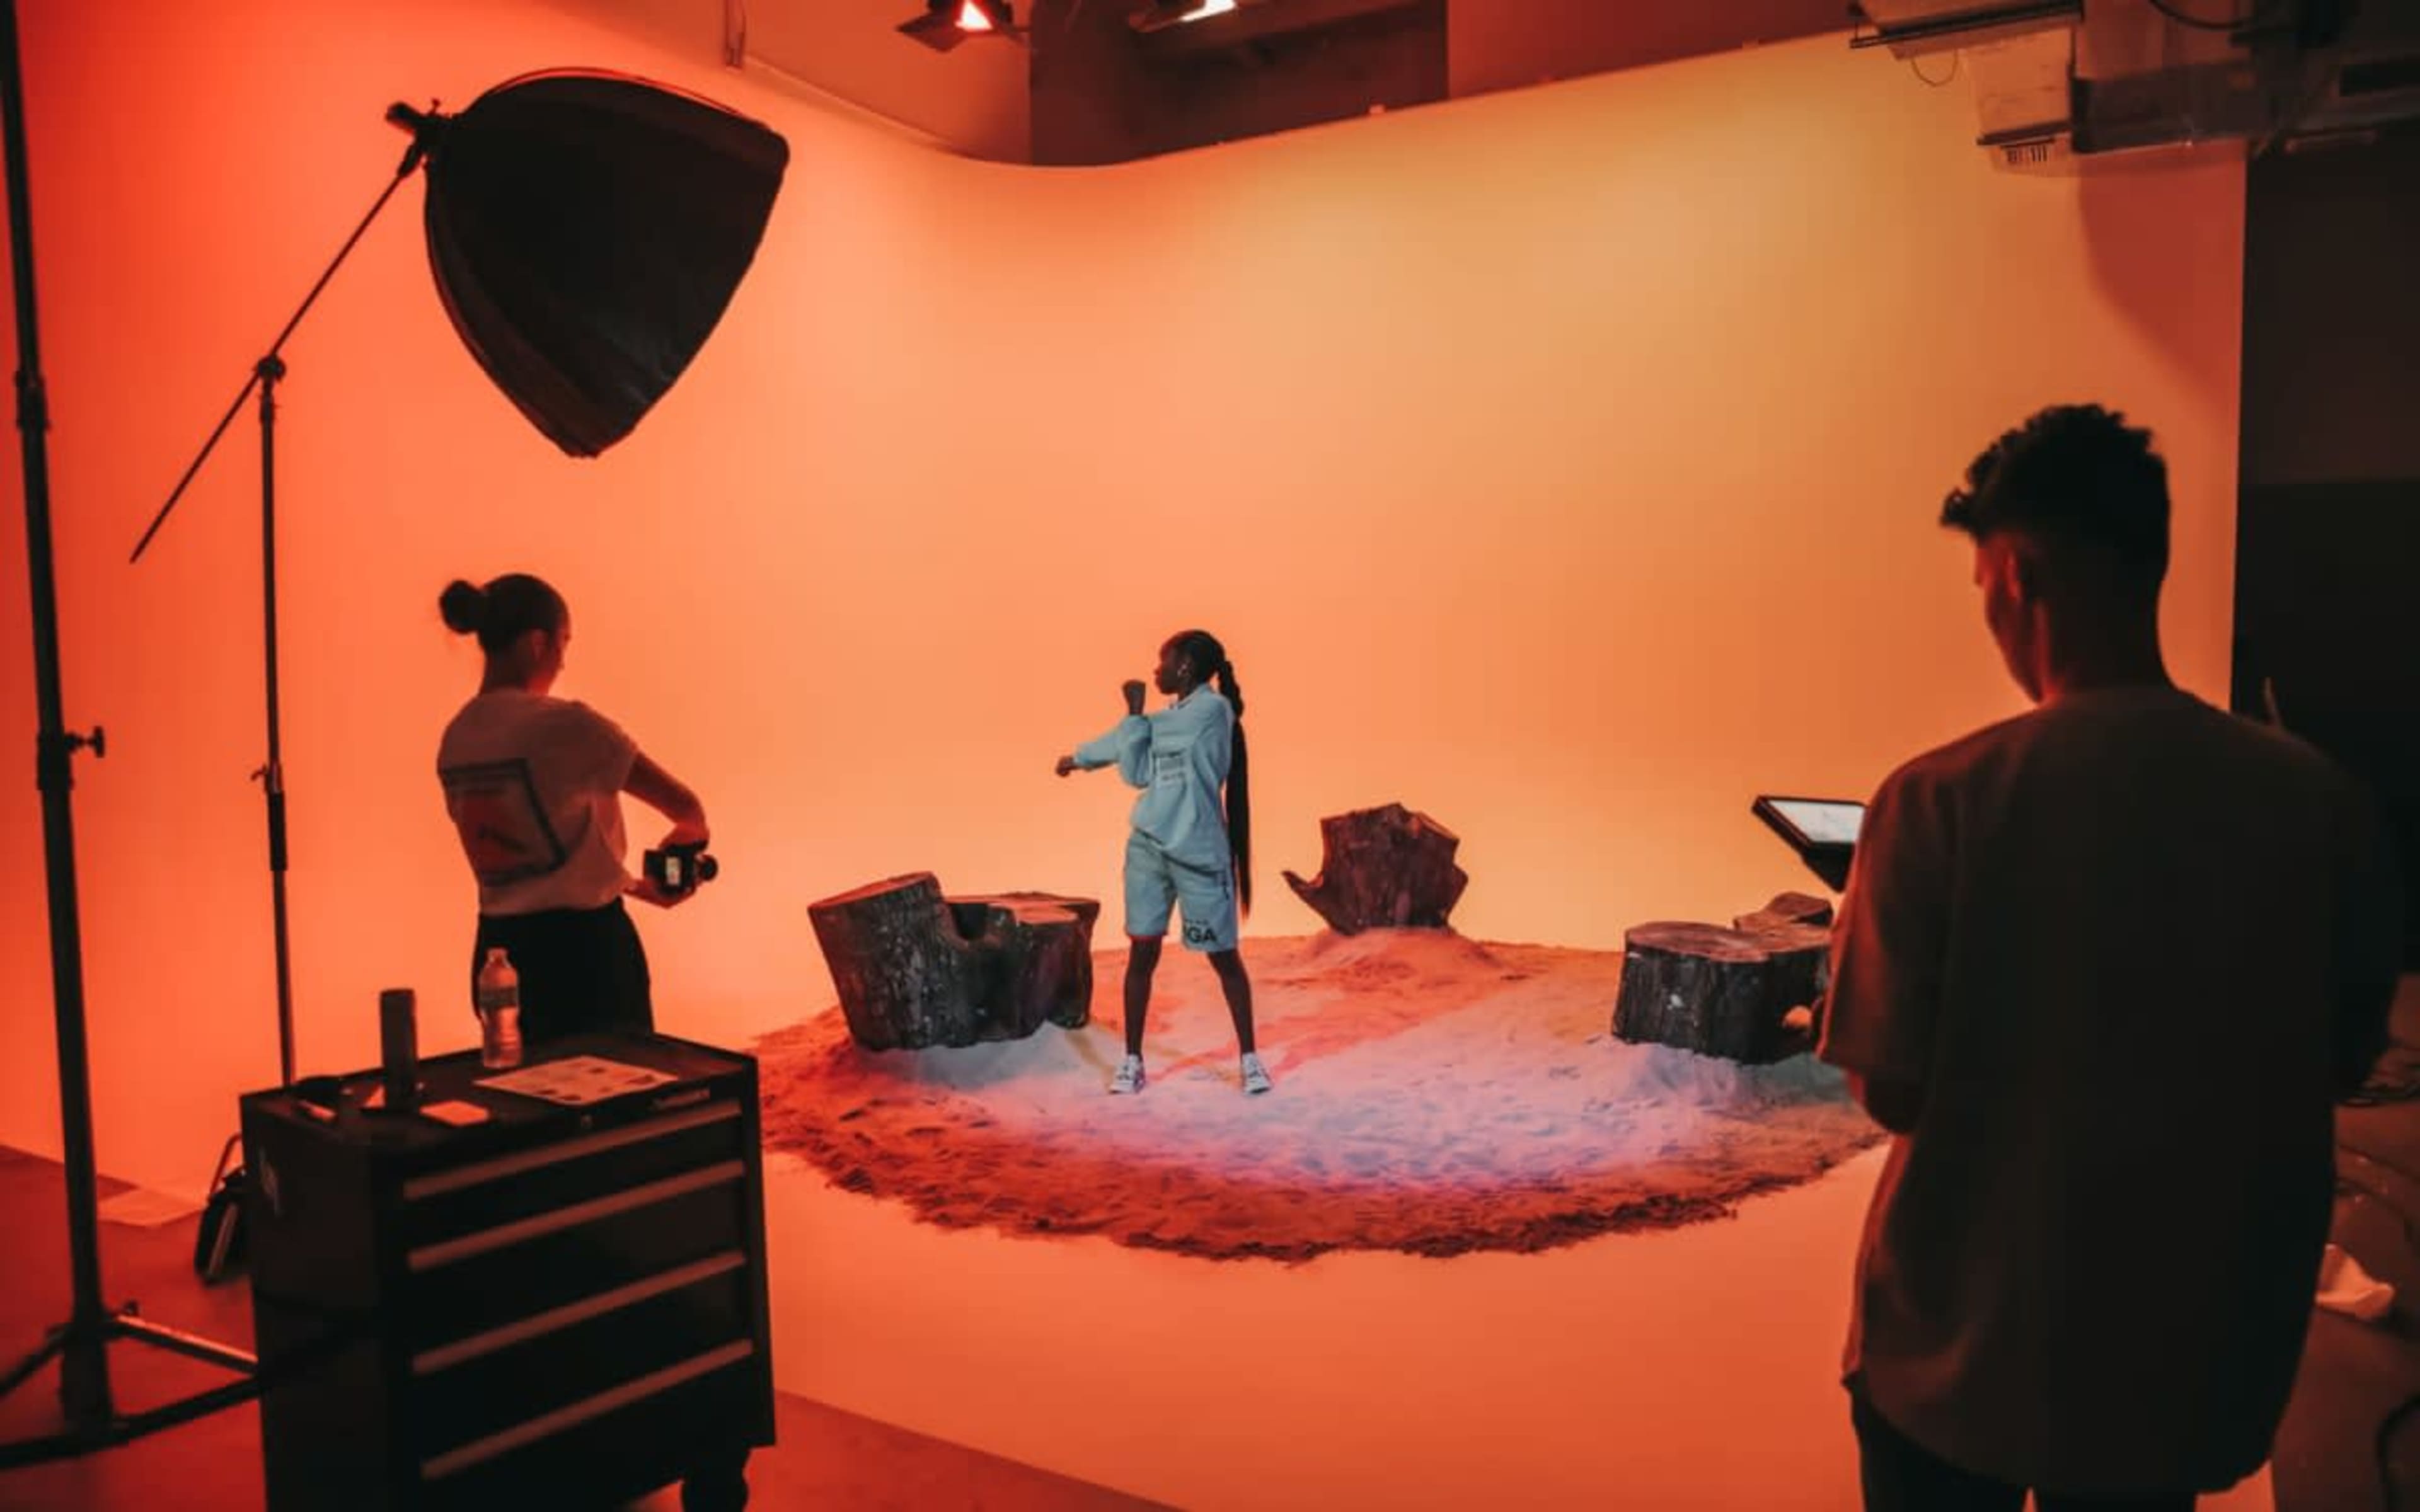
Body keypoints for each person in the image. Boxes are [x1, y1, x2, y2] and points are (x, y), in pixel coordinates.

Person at [1818, 403, 2404, 1511]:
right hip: (2182, 1367)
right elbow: (2338, 1059)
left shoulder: (1939, 801)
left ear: (2015, 579)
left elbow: (1890, 1087)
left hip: (1957, 1359)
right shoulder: (2321, 804)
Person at [435, 573, 710, 1045]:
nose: (563, 662)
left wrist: (629, 881)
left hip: (497, 958)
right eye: (563, 643)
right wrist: (679, 861)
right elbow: (686, 809)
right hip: (588, 959)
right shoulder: (568, 727)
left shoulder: (456, 739)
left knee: (527, 1107)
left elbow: (518, 859)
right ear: (538, 643)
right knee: (619, 1108)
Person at [1056, 629, 1269, 1096]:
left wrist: (1128, 723)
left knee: (1224, 957)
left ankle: (1250, 1059)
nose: (1157, 671)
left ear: (1186, 667)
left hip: (1198, 853)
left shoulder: (1213, 712)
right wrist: (1082, 757)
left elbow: (1144, 734)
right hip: (1149, 849)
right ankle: (1132, 1061)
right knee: (1142, 952)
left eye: (1163, 661)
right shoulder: (1162, 720)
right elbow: (1135, 773)